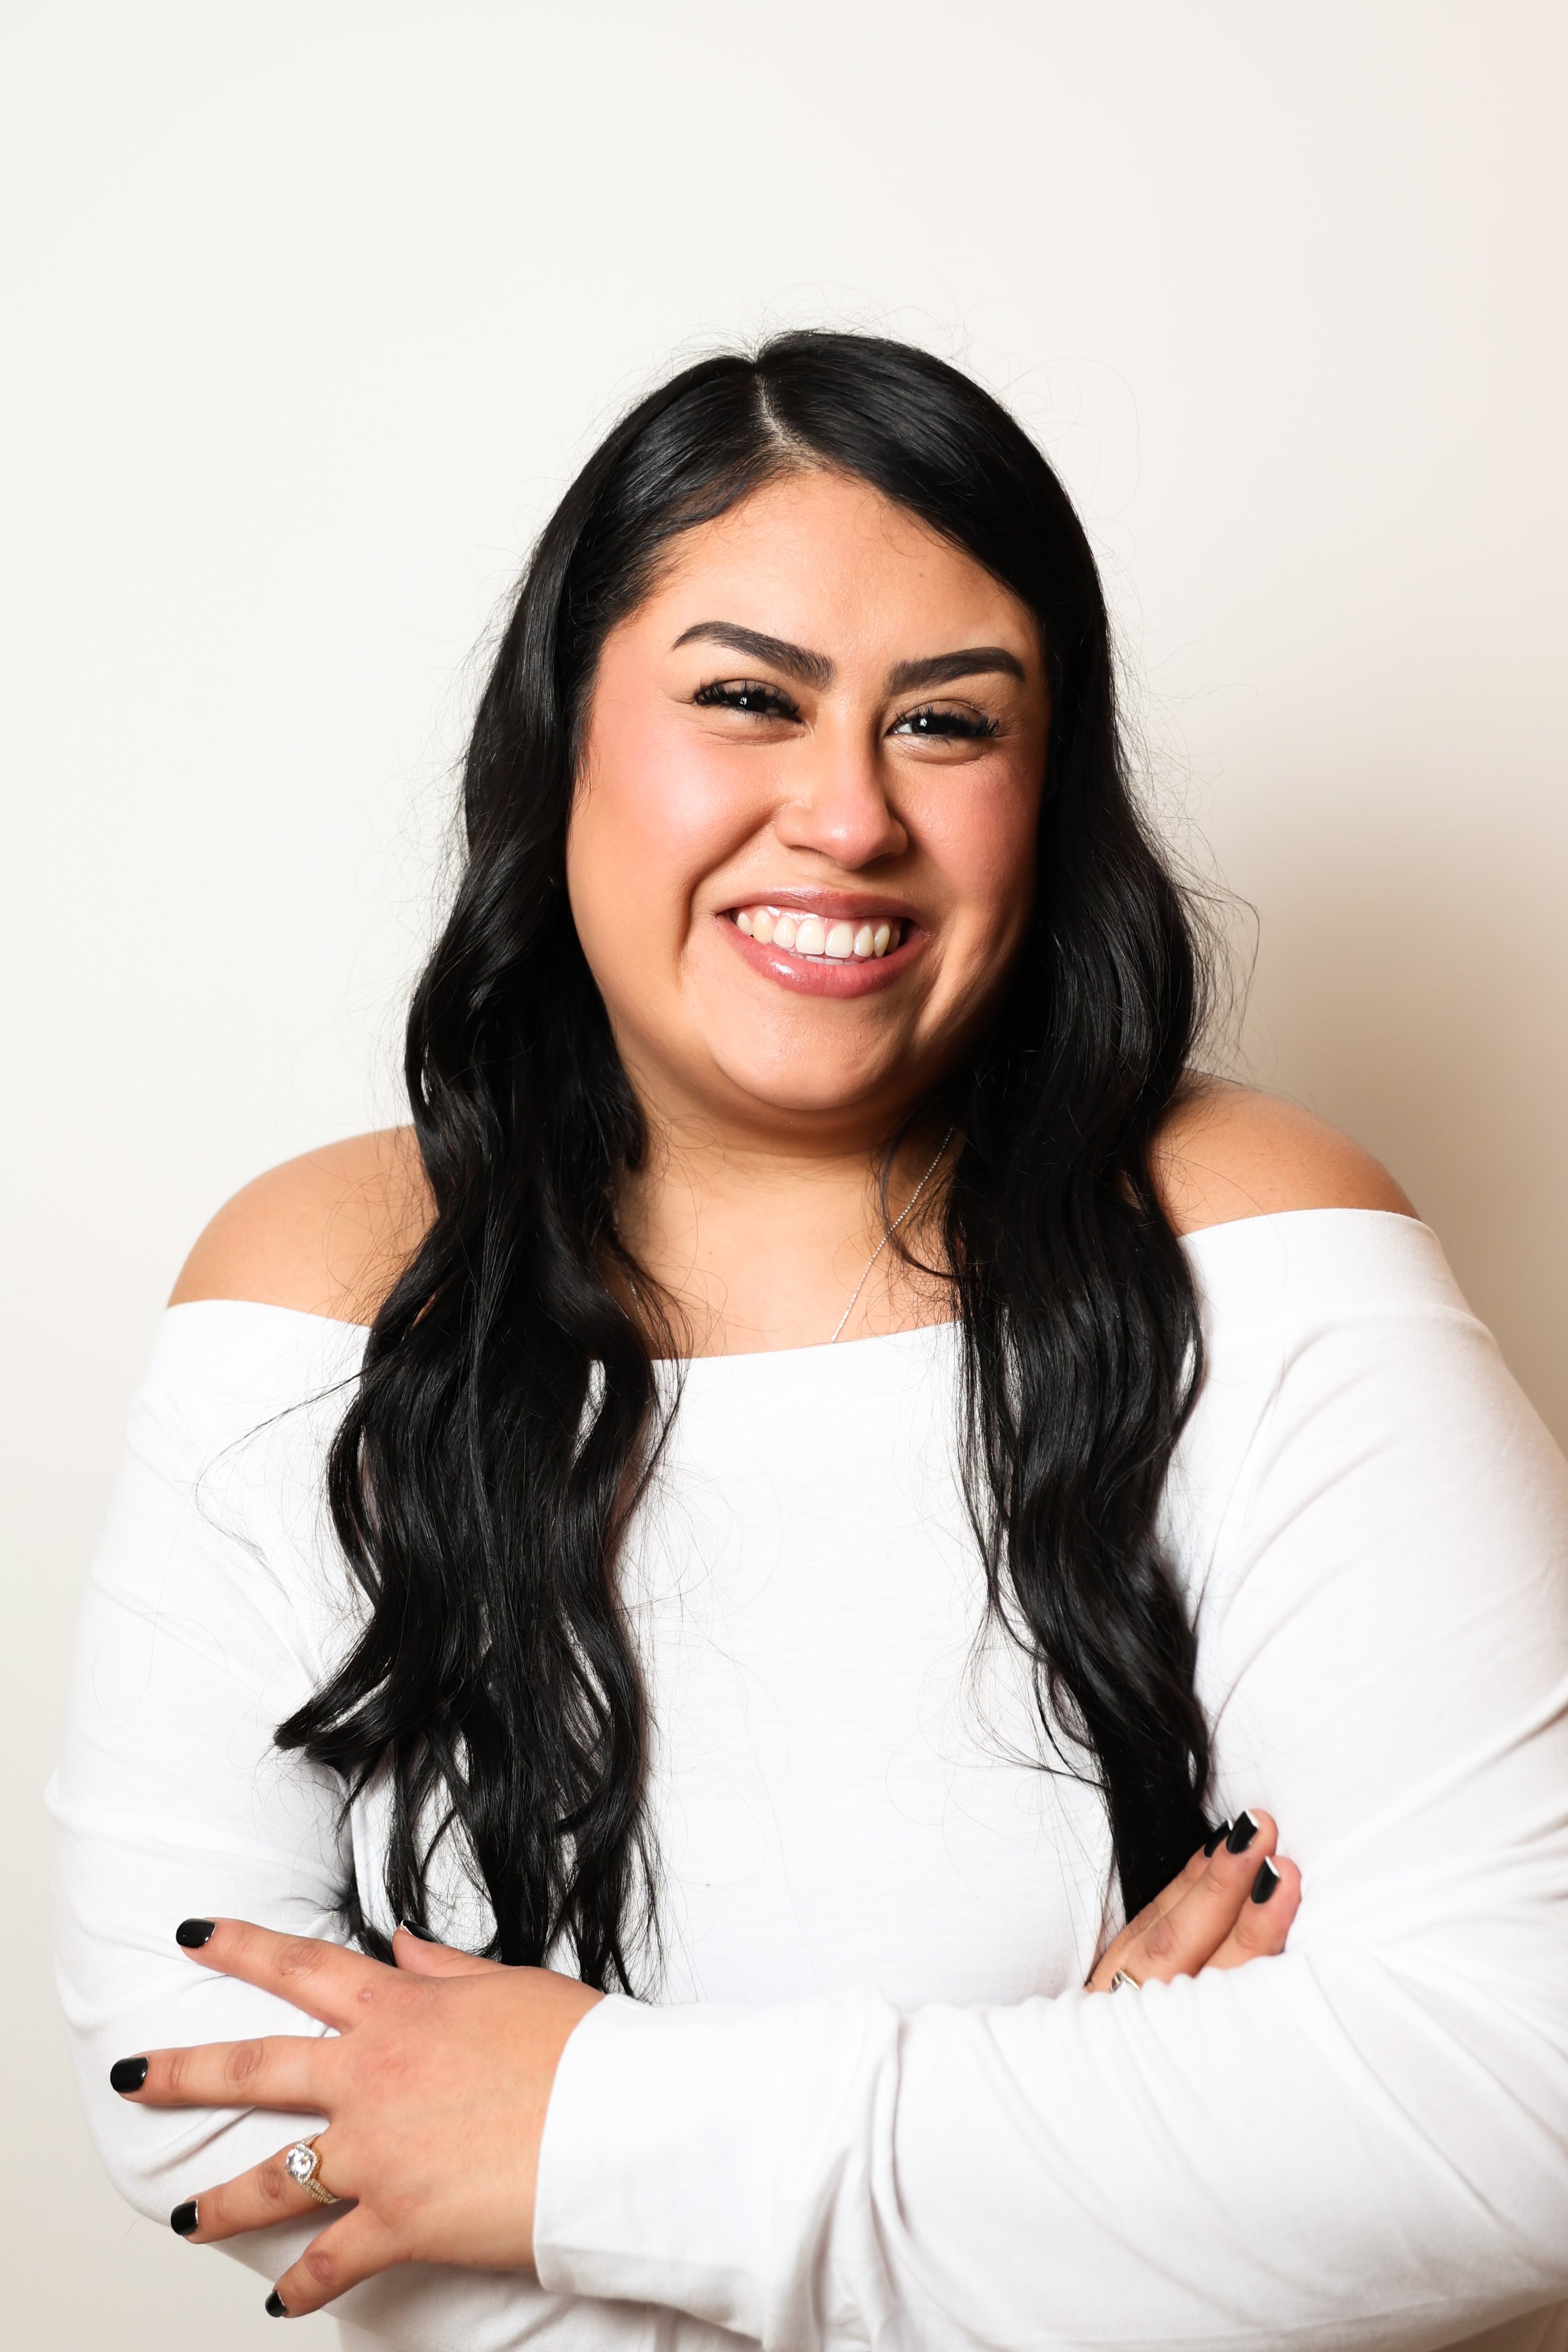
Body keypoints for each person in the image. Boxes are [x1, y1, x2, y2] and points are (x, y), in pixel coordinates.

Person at [51, 333, 1568, 2351]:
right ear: (561, 735)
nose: (845, 815)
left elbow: (1522, 2100)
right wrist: (1084, 2141)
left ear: (1050, 790)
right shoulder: (321, 1278)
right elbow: (215, 2123)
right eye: (745, 699)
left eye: (947, 723)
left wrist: (578, 2132)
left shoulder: (1259, 1235)